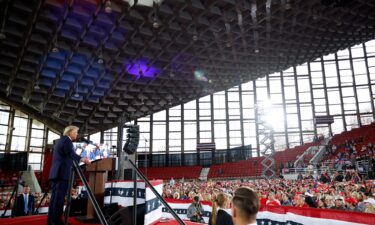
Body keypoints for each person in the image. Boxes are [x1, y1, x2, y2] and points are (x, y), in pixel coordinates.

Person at [47, 126, 90, 225]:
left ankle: (51, 221)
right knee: (58, 200)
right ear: (70, 132)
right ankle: (56, 222)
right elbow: (70, 153)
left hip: (57, 174)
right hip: (61, 174)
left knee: (55, 200)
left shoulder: (62, 140)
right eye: (75, 132)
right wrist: (82, 159)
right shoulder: (67, 141)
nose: (76, 134)